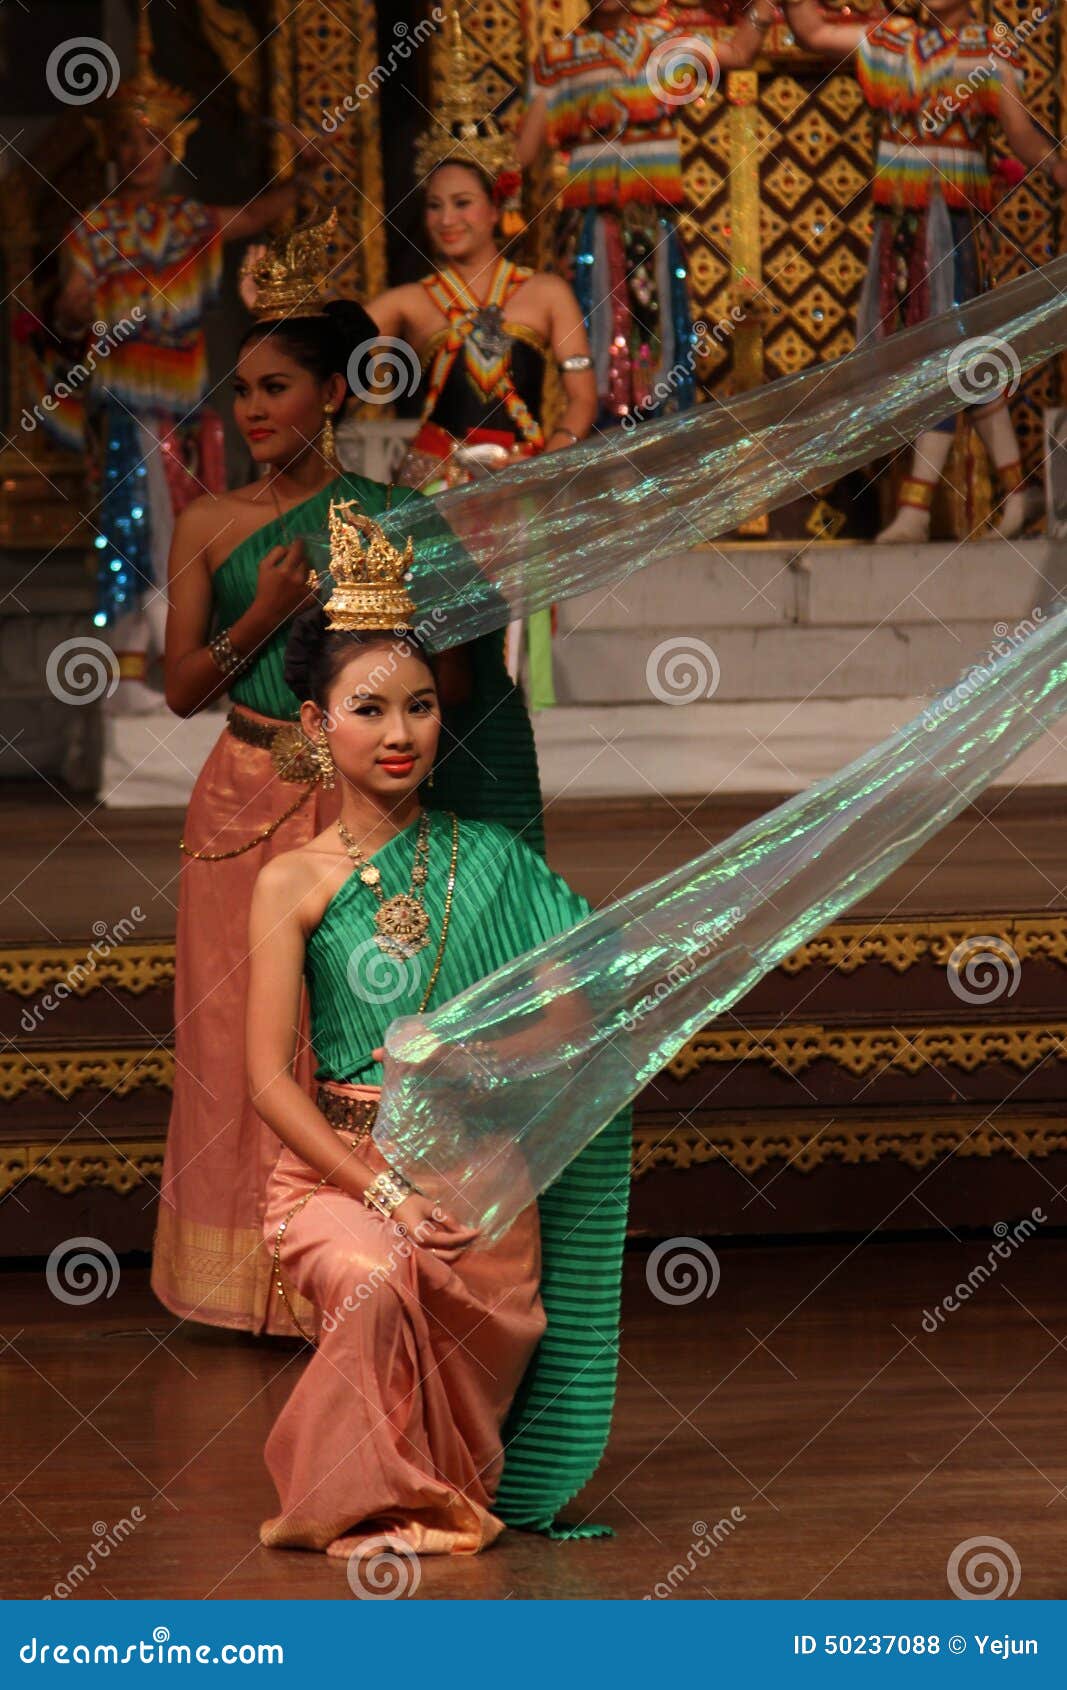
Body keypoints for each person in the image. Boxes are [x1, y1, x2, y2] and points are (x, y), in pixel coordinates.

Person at [246, 504, 630, 1556]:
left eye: (418, 706)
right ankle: (331, 1501)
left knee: (470, 1297)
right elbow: (266, 1086)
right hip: (336, 1172)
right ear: (318, 727)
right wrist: (384, 1193)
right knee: (372, 1278)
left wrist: (464, 1056)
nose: (402, 732)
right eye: (368, 709)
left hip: (477, 1174)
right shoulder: (290, 881)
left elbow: (572, 1016)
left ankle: (429, 1493)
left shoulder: (494, 861)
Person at [35, 3, 326, 721]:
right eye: (131, 140)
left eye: (155, 140)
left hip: (192, 403)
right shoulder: (93, 228)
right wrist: (73, 307)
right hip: (130, 405)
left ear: (173, 148)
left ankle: (194, 658)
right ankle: (132, 668)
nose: (143, 152)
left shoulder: (191, 222)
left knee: (204, 521)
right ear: (116, 148)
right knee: (134, 530)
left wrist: (311, 167)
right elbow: (69, 307)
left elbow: (257, 216)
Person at [368, 5, 597, 704]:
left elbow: (583, 395)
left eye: (462, 203)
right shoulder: (411, 299)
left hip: (521, 481)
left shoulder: (546, 293)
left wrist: (553, 453)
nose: (446, 219)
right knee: (437, 633)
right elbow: (338, 335)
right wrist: (275, 306)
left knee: (513, 639)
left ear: (495, 206)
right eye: (435, 205)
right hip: (436, 480)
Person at [784, 0, 1067, 541]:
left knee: (947, 354)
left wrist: (1054, 165)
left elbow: (1019, 133)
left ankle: (916, 507)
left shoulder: (987, 51)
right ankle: (1016, 490)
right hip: (899, 226)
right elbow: (811, 29)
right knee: (959, 355)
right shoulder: (888, 40)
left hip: (951, 226)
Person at [518, 0, 777, 427]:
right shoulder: (558, 59)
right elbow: (525, 151)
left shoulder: (664, 43)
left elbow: (739, 53)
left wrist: (764, 9)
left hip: (652, 228)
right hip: (595, 230)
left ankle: (660, 441)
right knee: (599, 337)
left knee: (661, 338)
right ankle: (600, 441)